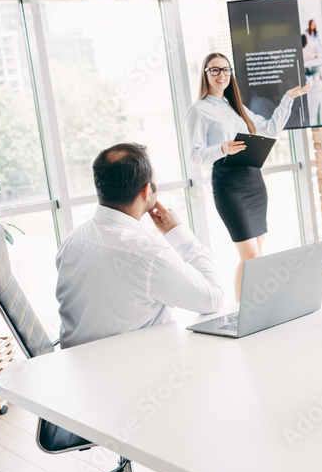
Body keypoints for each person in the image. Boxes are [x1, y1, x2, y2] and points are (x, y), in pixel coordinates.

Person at [55, 143, 225, 349]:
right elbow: (213, 299)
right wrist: (177, 233)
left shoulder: (71, 241)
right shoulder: (149, 254)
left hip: (77, 372)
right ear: (147, 190)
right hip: (137, 371)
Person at [185, 53, 310, 300]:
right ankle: (243, 310)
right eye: (215, 70)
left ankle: (256, 304)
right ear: (205, 74)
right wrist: (222, 148)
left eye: (226, 70)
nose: (221, 75)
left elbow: (271, 129)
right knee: (249, 256)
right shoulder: (198, 110)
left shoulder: (237, 108)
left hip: (253, 181)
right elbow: (195, 155)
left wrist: (287, 99)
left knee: (257, 253)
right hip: (229, 185)